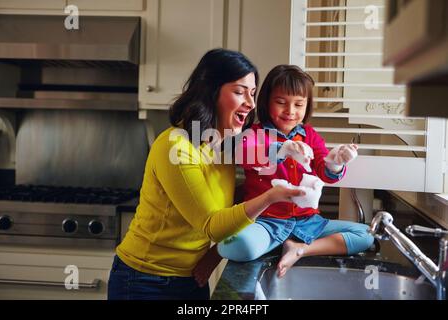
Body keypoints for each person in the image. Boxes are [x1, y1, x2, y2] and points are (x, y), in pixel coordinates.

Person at [107, 50, 306, 300]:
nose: (251, 103)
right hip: (144, 280)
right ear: (211, 91)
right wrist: (270, 197)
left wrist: (214, 255)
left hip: (192, 278)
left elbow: (231, 207)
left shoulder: (222, 144)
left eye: (252, 93)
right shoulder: (176, 146)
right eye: (239, 91)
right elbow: (212, 225)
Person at [193, 64, 374, 285]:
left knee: (367, 235)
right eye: (281, 102)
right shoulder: (254, 134)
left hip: (308, 222)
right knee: (235, 247)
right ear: (267, 101)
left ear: (307, 106)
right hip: (267, 223)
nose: (290, 111)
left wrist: (336, 162)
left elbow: (324, 171)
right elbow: (245, 154)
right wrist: (282, 150)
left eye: (298, 104)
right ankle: (271, 243)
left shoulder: (309, 135)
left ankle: (300, 249)